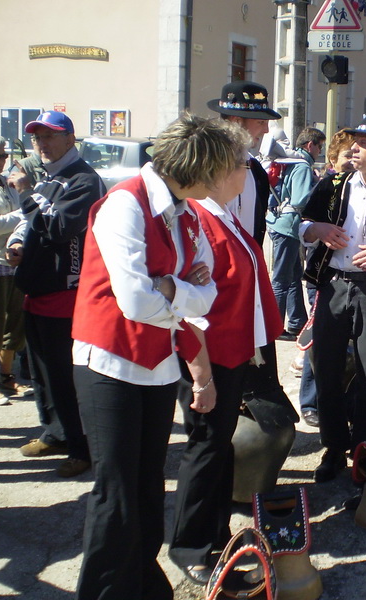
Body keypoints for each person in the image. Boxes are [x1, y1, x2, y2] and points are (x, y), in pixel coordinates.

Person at [70, 113, 243, 600]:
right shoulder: (124, 204)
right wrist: (179, 292)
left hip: (157, 364)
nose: (220, 180)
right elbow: (135, 302)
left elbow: (207, 298)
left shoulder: (184, 212)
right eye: (216, 169)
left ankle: (142, 584)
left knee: (147, 487)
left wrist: (171, 288)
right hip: (111, 361)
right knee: (117, 492)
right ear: (195, 167)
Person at [169, 125, 284, 585]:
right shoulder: (198, 220)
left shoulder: (223, 214)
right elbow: (187, 312)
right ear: (219, 171)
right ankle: (190, 546)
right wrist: (202, 377)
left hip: (233, 352)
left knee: (218, 448)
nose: (248, 169)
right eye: (242, 163)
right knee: (205, 448)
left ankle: (214, 533)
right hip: (209, 357)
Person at [300, 111, 366, 482]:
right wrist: (317, 228)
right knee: (324, 367)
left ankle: (363, 449)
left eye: (363, 143)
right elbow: (300, 221)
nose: (354, 148)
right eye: (354, 141)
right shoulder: (334, 184)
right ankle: (333, 448)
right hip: (334, 282)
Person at [6, 111, 105, 477]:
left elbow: (59, 228)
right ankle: (56, 433)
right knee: (42, 375)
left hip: (65, 296)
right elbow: (33, 227)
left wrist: (24, 195)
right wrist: (19, 246)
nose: (42, 144)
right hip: (38, 291)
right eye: (37, 138)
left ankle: (81, 447)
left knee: (66, 378)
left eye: (49, 136)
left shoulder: (83, 180)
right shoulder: (48, 179)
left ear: (70, 139)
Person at [299, 130, 356, 427]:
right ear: (333, 159)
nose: (351, 161)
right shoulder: (325, 187)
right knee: (317, 339)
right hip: (324, 276)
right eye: (346, 155)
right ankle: (310, 400)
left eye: (355, 155)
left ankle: (344, 400)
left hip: (356, 281)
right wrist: (317, 229)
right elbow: (303, 225)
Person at [267, 127, 326, 339]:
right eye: (320, 146)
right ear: (310, 145)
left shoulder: (291, 161)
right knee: (282, 280)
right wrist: (317, 187)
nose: (320, 151)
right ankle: (273, 328)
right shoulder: (302, 166)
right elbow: (300, 199)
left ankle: (296, 323)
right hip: (288, 226)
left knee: (292, 277)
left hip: (278, 223)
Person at [208, 80, 282, 245]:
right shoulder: (205, 166)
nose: (266, 130)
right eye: (260, 122)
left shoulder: (256, 171)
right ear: (236, 121)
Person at [0, 134, 27, 405]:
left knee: (14, 323)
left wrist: (12, 221)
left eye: (5, 155)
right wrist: (22, 215)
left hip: (13, 261)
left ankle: (8, 376)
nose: (3, 161)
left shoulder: (7, 185)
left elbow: (11, 222)